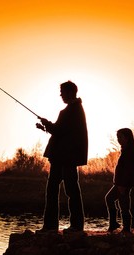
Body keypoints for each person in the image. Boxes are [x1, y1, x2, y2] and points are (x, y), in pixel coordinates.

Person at [36, 80, 88, 233]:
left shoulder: (72, 110)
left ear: (69, 92)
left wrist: (47, 124)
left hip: (65, 157)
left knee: (64, 190)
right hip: (64, 157)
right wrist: (46, 126)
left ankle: (60, 226)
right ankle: (60, 225)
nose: (60, 95)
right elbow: (63, 132)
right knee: (64, 190)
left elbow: (59, 131)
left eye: (62, 92)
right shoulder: (74, 109)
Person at [105, 128, 134, 233]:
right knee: (111, 199)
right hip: (120, 183)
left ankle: (126, 228)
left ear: (127, 138)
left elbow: (128, 170)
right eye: (117, 137)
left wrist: (122, 185)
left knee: (123, 204)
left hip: (123, 184)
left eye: (120, 137)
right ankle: (114, 224)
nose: (118, 139)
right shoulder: (125, 149)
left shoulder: (129, 151)